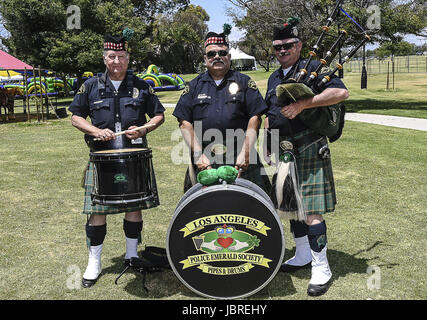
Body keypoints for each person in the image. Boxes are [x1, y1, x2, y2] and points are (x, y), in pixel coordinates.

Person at [68, 31, 165, 288]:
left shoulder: (142, 85)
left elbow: (158, 116)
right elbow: (75, 116)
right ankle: (94, 262)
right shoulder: (90, 86)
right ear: (104, 58)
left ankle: (132, 255)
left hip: (134, 156)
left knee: (134, 206)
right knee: (97, 211)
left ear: (128, 58)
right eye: (112, 56)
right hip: (102, 158)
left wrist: (144, 129)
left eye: (121, 56)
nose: (116, 61)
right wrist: (96, 131)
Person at [265, 19, 349, 296]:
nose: (282, 50)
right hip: (284, 148)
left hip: (310, 146)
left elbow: (340, 92)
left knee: (312, 211)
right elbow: (270, 114)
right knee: (291, 205)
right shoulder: (274, 77)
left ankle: (321, 267)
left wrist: (305, 103)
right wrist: (267, 141)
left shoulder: (314, 68)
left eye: (288, 45)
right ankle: (302, 254)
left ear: (299, 45)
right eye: (278, 47)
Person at [173, 25, 271, 194]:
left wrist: (246, 153)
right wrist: (198, 155)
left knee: (252, 210)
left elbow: (255, 118)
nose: (217, 56)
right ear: (205, 58)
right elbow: (184, 122)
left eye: (222, 53)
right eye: (212, 54)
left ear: (229, 56)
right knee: (202, 211)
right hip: (204, 159)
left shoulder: (244, 82)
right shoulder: (194, 86)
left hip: (240, 156)